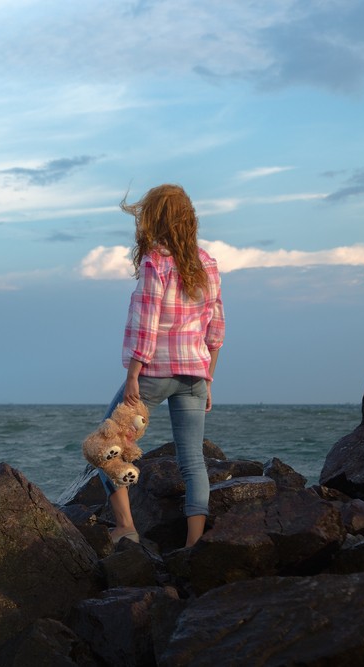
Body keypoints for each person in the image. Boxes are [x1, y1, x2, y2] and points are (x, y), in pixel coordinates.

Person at [101, 183, 225, 549]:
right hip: (194, 377)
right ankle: (193, 545)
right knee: (193, 462)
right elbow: (216, 329)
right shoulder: (208, 265)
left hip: (154, 375)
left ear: (153, 220)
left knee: (105, 446)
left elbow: (146, 323)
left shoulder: (157, 263)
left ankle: (125, 526)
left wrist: (132, 375)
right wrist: (209, 379)